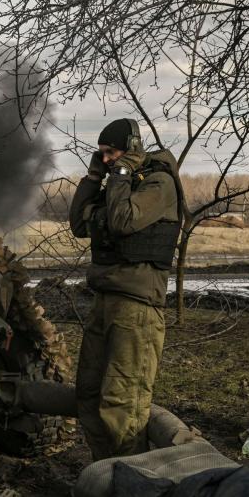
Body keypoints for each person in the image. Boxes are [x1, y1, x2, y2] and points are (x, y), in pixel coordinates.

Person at [68, 118, 183, 461]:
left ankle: (130, 487)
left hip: (137, 309)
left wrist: (118, 176)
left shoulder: (158, 184)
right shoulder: (118, 186)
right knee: (89, 394)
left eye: (111, 153)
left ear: (132, 150)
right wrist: (92, 180)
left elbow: (122, 221)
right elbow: (78, 224)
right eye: (101, 154)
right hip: (105, 301)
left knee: (123, 403)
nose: (106, 160)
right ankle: (103, 477)